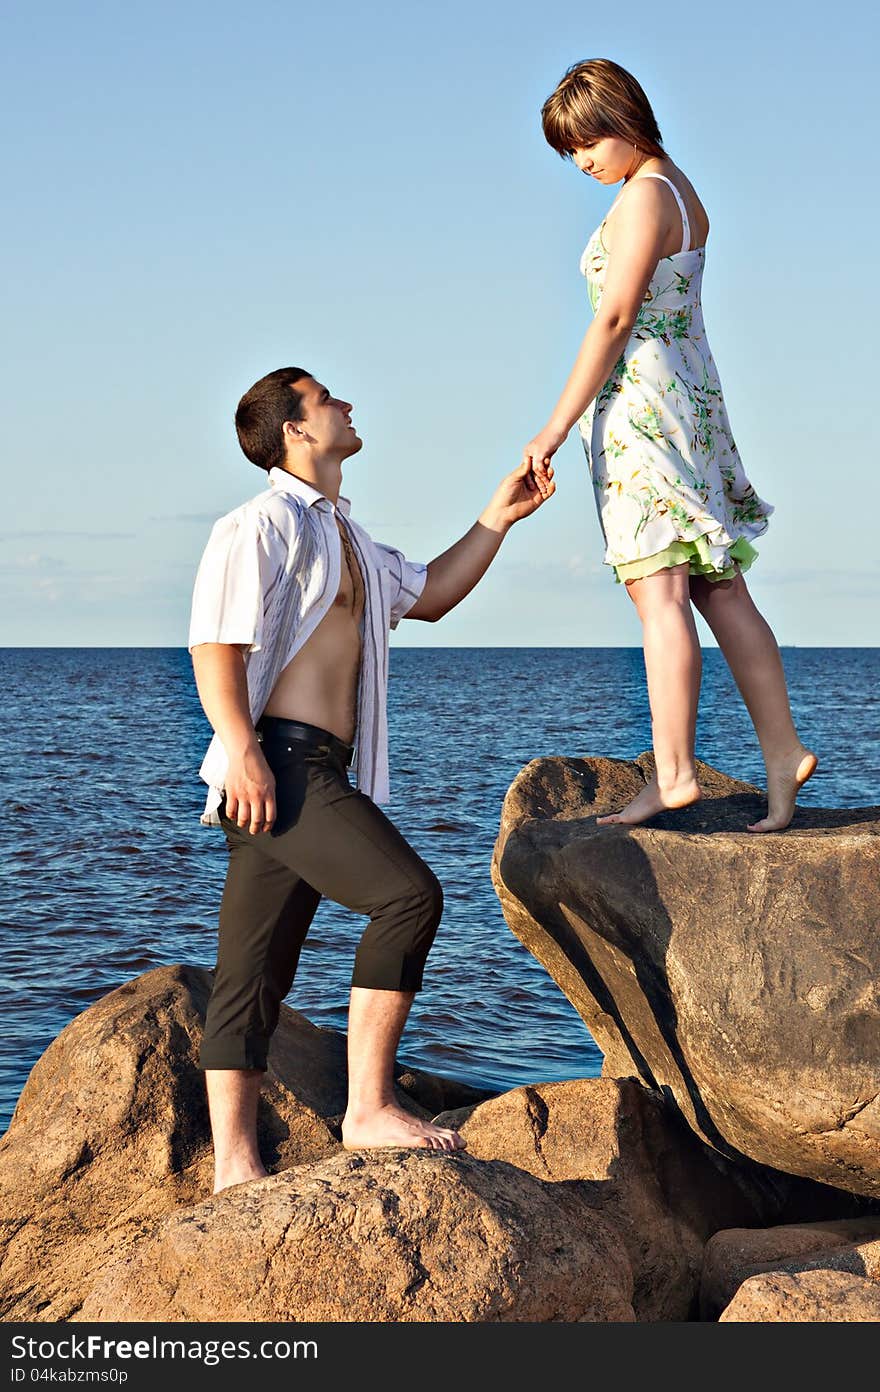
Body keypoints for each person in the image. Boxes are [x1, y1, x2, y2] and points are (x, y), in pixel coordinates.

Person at [189, 366, 554, 1192]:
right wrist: (240, 746)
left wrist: (497, 518)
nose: (347, 405)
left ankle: (235, 1168)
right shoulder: (258, 524)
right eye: (327, 399)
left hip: (309, 764)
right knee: (407, 897)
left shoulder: (346, 536)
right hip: (276, 759)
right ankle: (367, 1107)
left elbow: (431, 594)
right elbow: (216, 644)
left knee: (253, 970)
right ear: (295, 429)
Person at [522, 58, 816, 831]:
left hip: (643, 409)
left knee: (660, 593)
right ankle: (781, 754)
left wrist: (554, 427)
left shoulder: (644, 196)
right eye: (569, 150)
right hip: (692, 400)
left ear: (623, 119)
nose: (581, 161)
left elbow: (615, 320)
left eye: (586, 141)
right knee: (721, 587)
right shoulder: (683, 191)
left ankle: (675, 772)